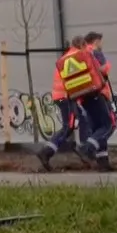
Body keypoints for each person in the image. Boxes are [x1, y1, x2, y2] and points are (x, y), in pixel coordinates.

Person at [37, 35, 85, 171]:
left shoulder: (68, 56)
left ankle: (49, 150)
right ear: (81, 45)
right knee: (68, 125)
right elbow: (76, 78)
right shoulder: (75, 57)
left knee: (71, 124)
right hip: (66, 95)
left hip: (62, 95)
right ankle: (46, 152)